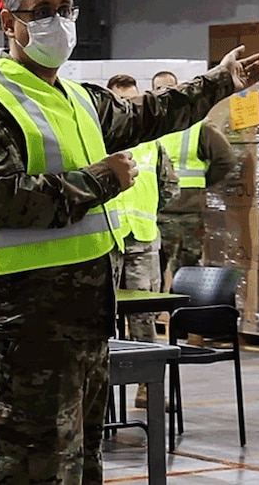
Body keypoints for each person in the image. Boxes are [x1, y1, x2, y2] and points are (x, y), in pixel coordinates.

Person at [0, 0, 259, 484]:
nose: (57, 23)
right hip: (23, 330)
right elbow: (0, 198)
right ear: (8, 23)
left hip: (84, 327)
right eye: (41, 12)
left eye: (65, 10)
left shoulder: (80, 100)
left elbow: (151, 113)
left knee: (81, 466)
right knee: (30, 469)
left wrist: (219, 82)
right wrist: (101, 180)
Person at [107, 74, 179, 410]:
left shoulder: (155, 144)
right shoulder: (95, 142)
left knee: (143, 318)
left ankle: (147, 388)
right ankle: (100, 389)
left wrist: (146, 214)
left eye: (131, 102)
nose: (126, 108)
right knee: (99, 318)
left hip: (143, 241)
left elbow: (169, 188)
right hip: (106, 242)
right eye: (119, 101)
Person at [152, 71, 237, 289]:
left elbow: (225, 159)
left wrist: (202, 182)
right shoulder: (150, 128)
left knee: (187, 274)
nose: (164, 93)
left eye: (169, 88)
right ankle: (160, 320)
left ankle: (185, 319)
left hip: (188, 214)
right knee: (153, 275)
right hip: (155, 214)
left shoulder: (198, 125)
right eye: (159, 89)